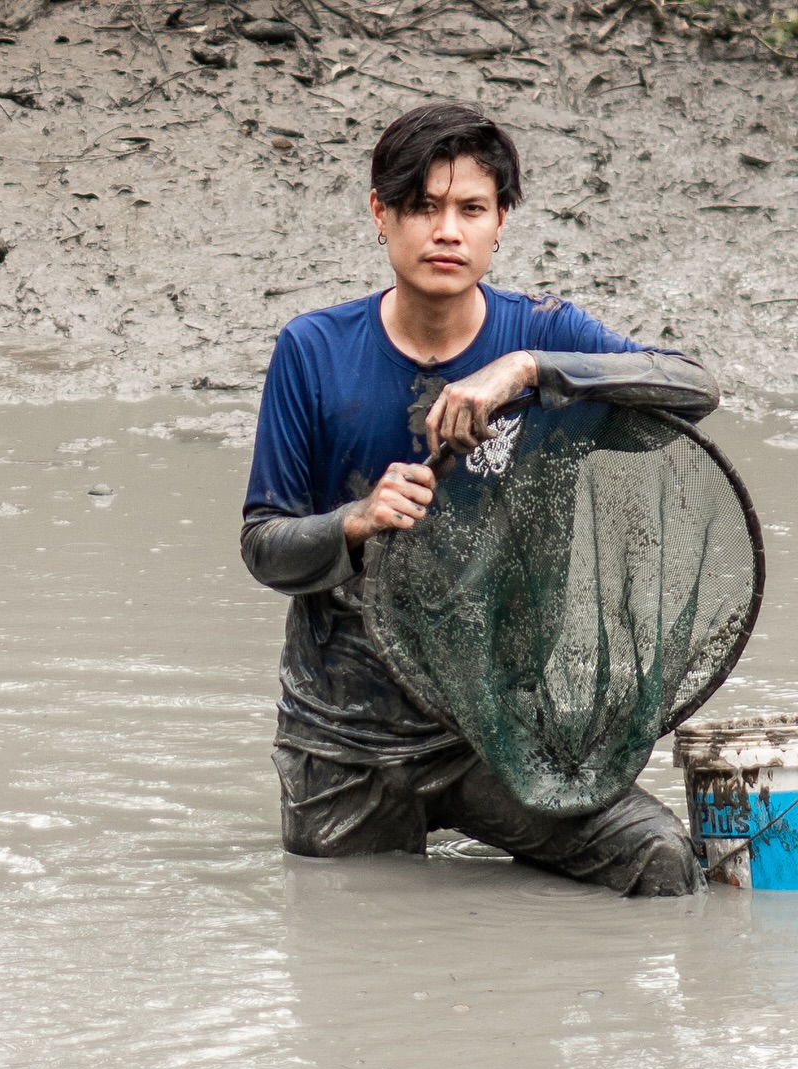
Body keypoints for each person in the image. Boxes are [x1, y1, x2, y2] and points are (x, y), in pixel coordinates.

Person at [241, 102, 720, 898]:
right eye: (424, 207)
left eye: (470, 209)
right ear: (381, 215)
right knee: (353, 924)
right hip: (346, 733)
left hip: (501, 726)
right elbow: (264, 545)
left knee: (659, 861)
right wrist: (354, 523)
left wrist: (531, 370)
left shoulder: (545, 334)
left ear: (501, 222)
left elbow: (695, 388)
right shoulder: (313, 351)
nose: (446, 232)